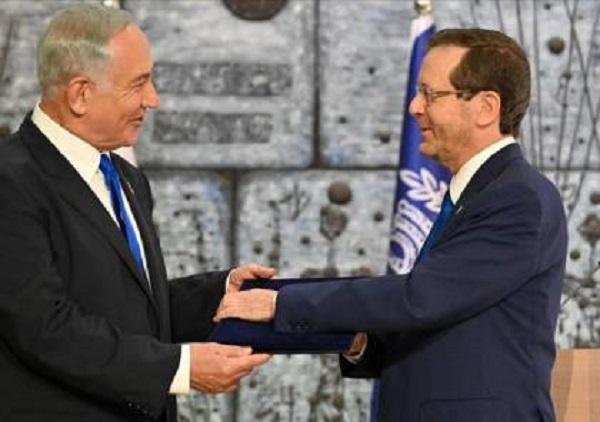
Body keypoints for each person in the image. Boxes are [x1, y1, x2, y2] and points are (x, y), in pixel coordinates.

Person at [216, 28, 568, 421]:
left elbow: (423, 297)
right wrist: (361, 342)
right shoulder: (479, 193)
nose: (415, 107)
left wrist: (281, 303)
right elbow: (446, 319)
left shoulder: (518, 198)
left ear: (486, 107)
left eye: (431, 95)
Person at [0, 5, 272, 422]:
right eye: (138, 84)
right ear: (80, 94)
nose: (153, 99)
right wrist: (178, 368)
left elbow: (126, 305)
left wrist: (217, 295)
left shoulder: (126, 178)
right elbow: (43, 327)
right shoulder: (10, 180)